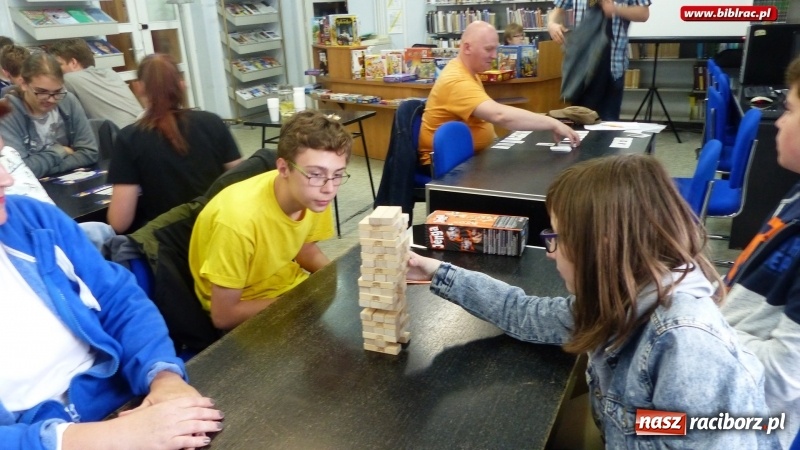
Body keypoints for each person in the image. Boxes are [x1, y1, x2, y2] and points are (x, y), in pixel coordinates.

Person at [407, 154, 777, 448]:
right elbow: (528, 314)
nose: (550, 252)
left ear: (600, 245)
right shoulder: (622, 294)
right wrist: (438, 272)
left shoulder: (686, 345)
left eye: (557, 237)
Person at [0, 99, 223, 450]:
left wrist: (162, 376)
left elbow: (121, 299)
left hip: (127, 407)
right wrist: (110, 438)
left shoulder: (33, 219)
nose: (7, 178)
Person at [189, 110, 351, 330]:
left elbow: (304, 248)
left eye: (338, 174)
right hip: (246, 308)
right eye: (315, 174)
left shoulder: (314, 195)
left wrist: (335, 277)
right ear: (283, 168)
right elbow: (224, 315)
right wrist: (299, 303)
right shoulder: (237, 221)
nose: (329, 188)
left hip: (286, 287)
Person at [721, 56, 800, 449]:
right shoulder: (796, 194)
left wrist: (695, 329)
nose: (780, 121)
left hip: (746, 423)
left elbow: (780, 378)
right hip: (725, 370)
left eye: (789, 109)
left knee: (636, 421)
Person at [107, 53, 241, 234]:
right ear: (182, 84)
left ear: (138, 87)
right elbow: (242, 180)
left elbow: (119, 222)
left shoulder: (129, 138)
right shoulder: (213, 122)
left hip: (168, 245)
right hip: (218, 231)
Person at [418, 21, 579, 171]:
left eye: (496, 48)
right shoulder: (456, 81)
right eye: (488, 49)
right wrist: (552, 123)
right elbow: (500, 115)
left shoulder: (470, 72)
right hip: (450, 168)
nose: (495, 56)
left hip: (474, 158)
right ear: (467, 48)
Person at [0, 52, 98, 178]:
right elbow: (19, 170)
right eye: (41, 92)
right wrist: (60, 151)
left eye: (57, 92)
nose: (51, 99)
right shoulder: (6, 111)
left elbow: (89, 152)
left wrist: (46, 168)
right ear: (23, 84)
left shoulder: (67, 100)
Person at [547, 0, 650, 121]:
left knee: (607, 127)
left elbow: (644, 13)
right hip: (581, 69)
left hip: (612, 68)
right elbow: (558, 10)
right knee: (580, 125)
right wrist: (551, 24)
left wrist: (616, 9)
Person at [48, 38, 144, 129]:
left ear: (73, 62)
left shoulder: (69, 79)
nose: (54, 71)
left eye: (57, 65)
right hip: (145, 129)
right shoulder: (110, 73)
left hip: (120, 139)